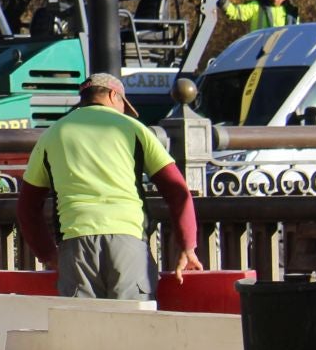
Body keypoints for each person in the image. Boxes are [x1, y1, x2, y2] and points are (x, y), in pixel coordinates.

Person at [16, 73, 202, 299]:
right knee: (132, 326)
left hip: (76, 245)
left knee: (82, 329)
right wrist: (187, 246)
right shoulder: (134, 129)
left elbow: (27, 206)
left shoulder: (53, 134)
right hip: (128, 241)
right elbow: (177, 191)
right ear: (114, 95)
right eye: (123, 104)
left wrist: (47, 254)